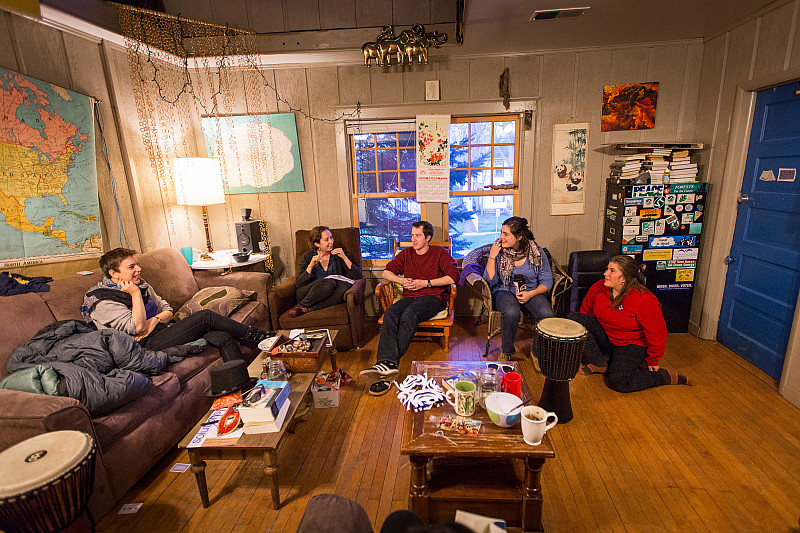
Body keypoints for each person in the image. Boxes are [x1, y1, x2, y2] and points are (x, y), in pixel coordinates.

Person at [81, 247, 271, 362]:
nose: (138, 269)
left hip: (161, 331)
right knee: (204, 317)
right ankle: (261, 337)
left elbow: (167, 310)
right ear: (113, 273)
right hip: (141, 347)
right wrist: (135, 295)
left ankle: (239, 389)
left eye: (137, 264)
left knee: (222, 336)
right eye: (131, 267)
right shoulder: (102, 300)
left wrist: (155, 320)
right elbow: (137, 327)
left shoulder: (142, 284)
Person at [360, 221, 459, 396]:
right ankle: (387, 366)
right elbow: (386, 272)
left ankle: (387, 364)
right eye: (412, 235)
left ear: (428, 237)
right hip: (410, 296)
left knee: (410, 314)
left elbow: (453, 277)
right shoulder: (406, 254)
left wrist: (426, 283)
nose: (413, 239)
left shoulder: (439, 253)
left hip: (433, 298)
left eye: (418, 235)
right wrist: (401, 281)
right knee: (390, 313)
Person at [567, 254, 691, 392]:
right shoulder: (598, 287)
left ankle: (662, 376)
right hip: (607, 336)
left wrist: (653, 359)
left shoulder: (644, 299)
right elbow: (586, 313)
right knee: (574, 318)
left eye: (612, 271)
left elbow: (657, 333)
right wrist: (589, 346)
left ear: (624, 278)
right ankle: (599, 362)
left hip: (632, 345)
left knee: (620, 381)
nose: (605, 273)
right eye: (607, 269)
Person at [484, 216, 554, 359]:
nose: (501, 237)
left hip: (532, 291)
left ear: (519, 237)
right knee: (511, 312)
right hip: (505, 290)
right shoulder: (499, 251)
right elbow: (489, 280)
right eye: (501, 232)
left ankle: (536, 353)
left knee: (547, 315)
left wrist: (531, 293)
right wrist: (492, 256)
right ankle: (507, 352)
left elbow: (547, 280)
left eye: (506, 234)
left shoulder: (536, 252)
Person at [288, 226, 362, 318]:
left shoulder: (337, 255)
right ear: (317, 244)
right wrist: (310, 266)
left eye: (331, 237)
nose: (331, 241)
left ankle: (309, 309)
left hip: (329, 295)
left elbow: (358, 276)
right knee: (329, 283)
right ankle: (301, 305)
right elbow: (298, 283)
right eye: (326, 239)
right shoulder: (307, 257)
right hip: (307, 293)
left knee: (345, 286)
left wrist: (344, 257)